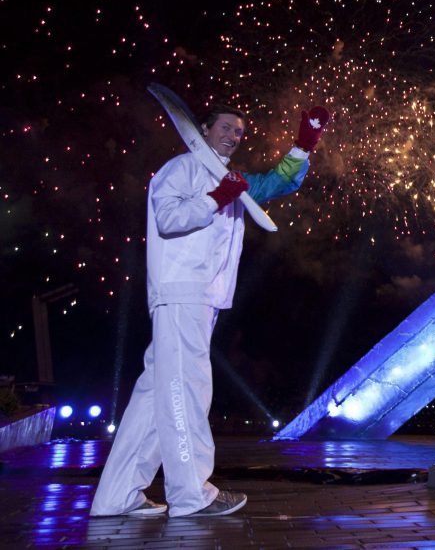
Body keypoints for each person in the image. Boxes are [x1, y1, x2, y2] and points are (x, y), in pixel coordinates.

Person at [90, 103, 330, 518]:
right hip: (181, 292)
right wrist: (217, 198)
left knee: (155, 396)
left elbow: (276, 183)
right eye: (225, 127)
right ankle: (190, 494)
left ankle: (117, 495)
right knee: (189, 388)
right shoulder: (181, 169)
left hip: (204, 297)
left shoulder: (232, 179)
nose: (233, 135)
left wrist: (305, 144)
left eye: (239, 131)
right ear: (202, 129)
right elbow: (168, 218)